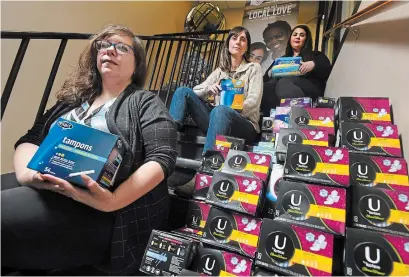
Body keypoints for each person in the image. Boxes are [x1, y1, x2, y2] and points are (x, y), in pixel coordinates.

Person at [1, 24, 178, 275]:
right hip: (45, 187)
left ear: (137, 64)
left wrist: (111, 202)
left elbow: (162, 158)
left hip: (104, 212)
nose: (110, 51)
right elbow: (31, 139)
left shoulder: (145, 101)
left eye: (121, 47)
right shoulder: (72, 101)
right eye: (104, 45)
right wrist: (27, 175)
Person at [169, 26, 263, 154]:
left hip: (244, 124)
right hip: (218, 120)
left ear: (246, 47)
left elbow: (254, 102)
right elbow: (196, 90)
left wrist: (234, 108)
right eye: (234, 38)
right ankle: (168, 136)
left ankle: (209, 160)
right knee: (182, 91)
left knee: (221, 110)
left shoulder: (254, 68)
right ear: (228, 43)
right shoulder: (220, 71)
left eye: (243, 40)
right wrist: (208, 89)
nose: (238, 42)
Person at [260, 25, 332, 115]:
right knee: (266, 87)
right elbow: (266, 78)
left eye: (302, 35)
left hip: (308, 92)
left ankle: (294, 118)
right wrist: (272, 72)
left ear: (306, 39)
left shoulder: (315, 55)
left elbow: (326, 68)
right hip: (280, 92)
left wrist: (313, 64)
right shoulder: (281, 59)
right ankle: (272, 119)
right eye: (295, 35)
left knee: (283, 82)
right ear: (290, 39)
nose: (297, 37)